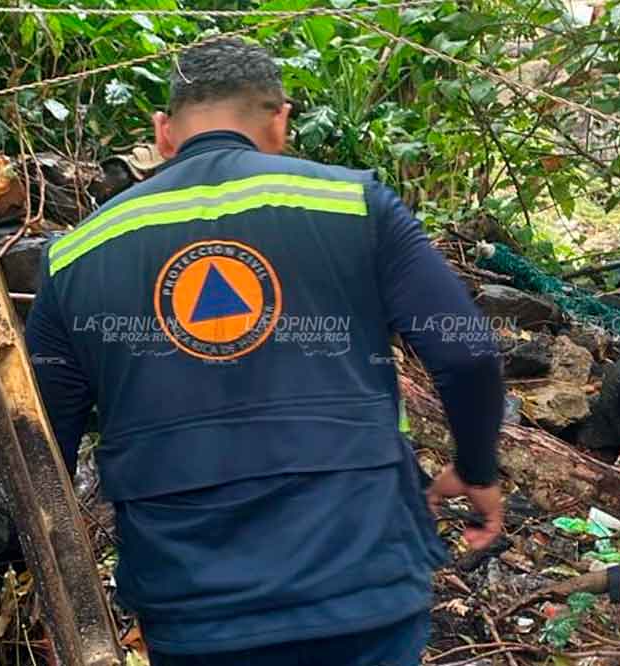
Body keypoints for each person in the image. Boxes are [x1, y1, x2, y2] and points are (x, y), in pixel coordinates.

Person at [25, 37, 505, 666]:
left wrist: (30, 565)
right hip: (359, 576)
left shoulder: (76, 255)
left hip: (191, 599)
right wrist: (475, 468)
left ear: (163, 132)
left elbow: (40, 438)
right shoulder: (353, 203)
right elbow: (468, 353)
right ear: (279, 120)